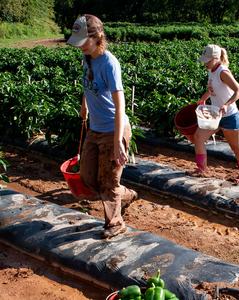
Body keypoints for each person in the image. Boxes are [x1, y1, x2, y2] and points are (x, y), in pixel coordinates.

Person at [67, 14, 137, 239]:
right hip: (95, 128)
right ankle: (125, 194)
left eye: (83, 41)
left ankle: (115, 224)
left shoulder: (109, 63)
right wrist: (84, 104)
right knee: (87, 177)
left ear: (97, 37)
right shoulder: (86, 58)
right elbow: (87, 84)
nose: (80, 46)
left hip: (113, 129)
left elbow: (120, 106)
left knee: (108, 180)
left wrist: (118, 141)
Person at [194, 44, 239, 183]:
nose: (205, 63)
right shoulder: (211, 70)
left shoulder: (223, 72)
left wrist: (226, 104)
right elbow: (212, 89)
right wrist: (203, 99)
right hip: (215, 116)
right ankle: (202, 169)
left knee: (235, 147)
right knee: (198, 137)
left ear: (216, 58)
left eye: (207, 60)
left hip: (230, 116)